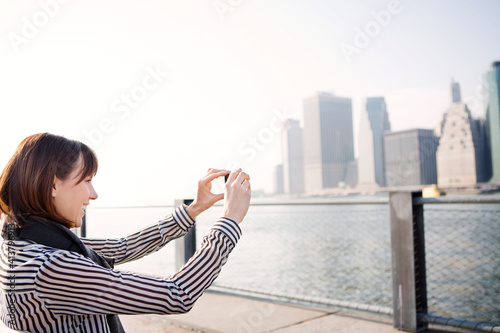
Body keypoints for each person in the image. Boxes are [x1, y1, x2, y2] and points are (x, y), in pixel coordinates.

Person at [0, 133, 251, 332]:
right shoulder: (50, 266)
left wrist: (194, 209)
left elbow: (122, 246)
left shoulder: (24, 241)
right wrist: (230, 219)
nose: (94, 194)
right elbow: (177, 293)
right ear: (54, 184)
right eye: (86, 180)